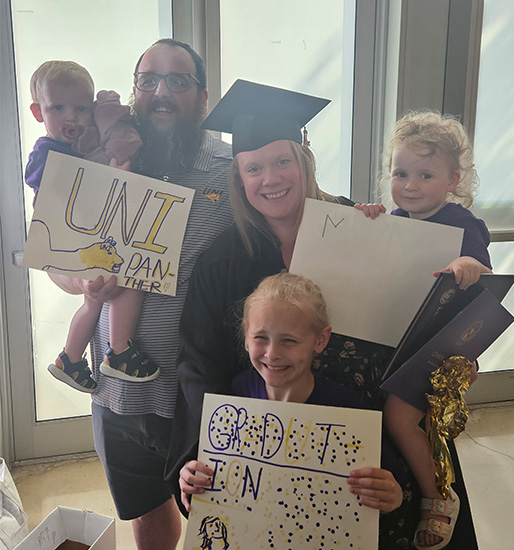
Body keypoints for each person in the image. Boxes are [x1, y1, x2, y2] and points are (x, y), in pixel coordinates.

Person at [166, 80, 480, 549]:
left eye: (282, 162)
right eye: (253, 168)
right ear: (239, 177)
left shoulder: (365, 226)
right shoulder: (221, 259)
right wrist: (205, 455)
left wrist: (457, 354)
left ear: (304, 161)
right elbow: (197, 364)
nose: (270, 179)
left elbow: (422, 317)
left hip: (372, 434)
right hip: (267, 446)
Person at [48, 40, 233, 550]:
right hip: (119, 389)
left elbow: (291, 214)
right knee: (146, 515)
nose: (161, 92)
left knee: (218, 517)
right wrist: (81, 283)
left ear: (202, 97)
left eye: (178, 80)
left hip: (200, 387)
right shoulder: (99, 159)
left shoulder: (232, 167)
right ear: (133, 92)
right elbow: (56, 260)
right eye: (148, 79)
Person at [358, 111, 491, 549]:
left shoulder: (462, 225)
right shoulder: (397, 218)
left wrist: (468, 265)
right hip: (401, 339)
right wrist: (369, 220)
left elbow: (482, 276)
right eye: (400, 173)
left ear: (453, 179)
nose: (409, 184)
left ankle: (438, 498)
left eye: (425, 174)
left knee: (399, 416)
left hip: (438, 344)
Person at [180, 272, 403, 520]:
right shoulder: (235, 395)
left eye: (288, 340)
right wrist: (190, 477)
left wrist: (392, 495)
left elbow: (389, 486)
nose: (272, 353)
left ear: (320, 340)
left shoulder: (348, 410)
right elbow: (211, 471)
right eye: (260, 338)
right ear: (246, 335)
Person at [26, 60, 158, 392]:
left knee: (94, 299)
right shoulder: (48, 150)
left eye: (81, 108)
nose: (71, 116)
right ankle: (119, 353)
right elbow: (42, 183)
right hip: (70, 237)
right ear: (38, 112)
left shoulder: (85, 146)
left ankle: (69, 359)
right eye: (58, 107)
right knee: (128, 280)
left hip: (87, 236)